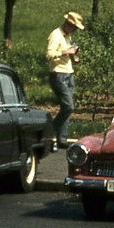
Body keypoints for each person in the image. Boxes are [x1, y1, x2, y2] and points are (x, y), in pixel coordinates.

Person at [46, 11, 84, 149]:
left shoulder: (67, 36)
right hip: (58, 74)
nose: (74, 31)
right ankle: (49, 131)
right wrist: (66, 52)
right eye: (74, 28)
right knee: (69, 106)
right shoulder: (55, 35)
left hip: (68, 73)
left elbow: (67, 52)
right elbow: (49, 54)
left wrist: (74, 56)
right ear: (68, 24)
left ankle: (62, 138)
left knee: (66, 108)